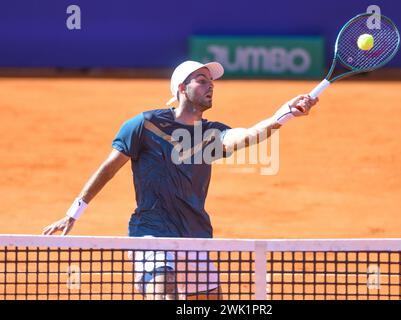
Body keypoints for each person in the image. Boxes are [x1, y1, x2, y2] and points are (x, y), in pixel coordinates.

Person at [42, 60, 318, 300]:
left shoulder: (212, 133)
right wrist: (74, 212)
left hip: (195, 237)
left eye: (212, 82)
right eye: (201, 81)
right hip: (151, 233)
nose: (210, 86)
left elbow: (246, 135)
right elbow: (109, 167)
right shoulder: (144, 124)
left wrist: (286, 113)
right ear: (181, 88)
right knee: (166, 293)